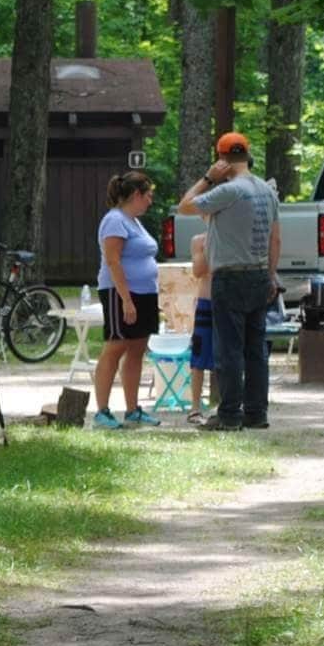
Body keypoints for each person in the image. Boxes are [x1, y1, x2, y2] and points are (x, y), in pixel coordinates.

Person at [177, 131, 280, 430]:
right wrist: (271, 274)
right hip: (260, 274)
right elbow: (276, 239)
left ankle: (230, 415)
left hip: (230, 277)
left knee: (229, 350)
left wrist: (208, 178)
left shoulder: (227, 191)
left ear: (222, 158)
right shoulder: (266, 191)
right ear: (247, 154)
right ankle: (257, 413)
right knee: (255, 349)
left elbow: (185, 206)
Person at [91, 170, 163, 429]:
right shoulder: (115, 220)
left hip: (144, 294)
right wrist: (127, 300)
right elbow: (113, 260)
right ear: (136, 195)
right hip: (120, 293)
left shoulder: (135, 222)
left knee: (137, 349)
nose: (150, 201)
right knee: (115, 346)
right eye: (148, 196)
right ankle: (102, 411)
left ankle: (132, 410)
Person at [185, 231, 214, 424]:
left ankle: (228, 404)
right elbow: (198, 271)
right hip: (206, 302)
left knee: (229, 353)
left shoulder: (232, 235)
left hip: (228, 303)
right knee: (199, 356)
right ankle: (195, 407)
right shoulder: (199, 240)